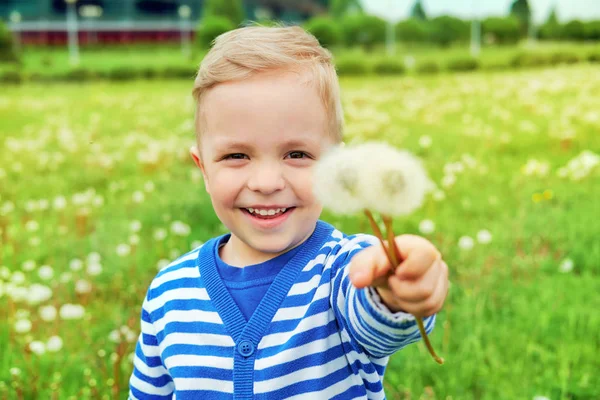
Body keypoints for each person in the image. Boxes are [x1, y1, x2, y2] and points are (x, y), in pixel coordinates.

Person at [129, 25, 449, 400]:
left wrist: (396, 289)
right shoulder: (168, 294)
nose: (266, 182)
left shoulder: (344, 271)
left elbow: (380, 321)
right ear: (203, 169)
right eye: (237, 156)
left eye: (297, 154)